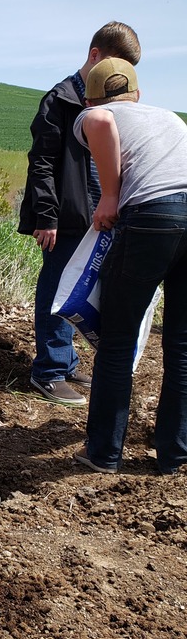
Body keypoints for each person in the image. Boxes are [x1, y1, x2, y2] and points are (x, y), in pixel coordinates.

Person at [71, 58, 187, 475]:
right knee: (181, 344)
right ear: (137, 94)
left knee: (117, 340)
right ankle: (174, 453)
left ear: (88, 96)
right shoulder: (168, 117)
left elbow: (100, 120)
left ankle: (103, 453)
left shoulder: (90, 113)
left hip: (154, 217)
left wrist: (110, 196)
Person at [18, 21, 141, 407]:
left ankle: (67, 361)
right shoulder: (61, 98)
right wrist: (46, 216)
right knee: (57, 287)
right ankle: (48, 372)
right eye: (115, 65)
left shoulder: (105, 101)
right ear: (95, 56)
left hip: (96, 214)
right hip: (67, 215)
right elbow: (41, 162)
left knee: (79, 290)